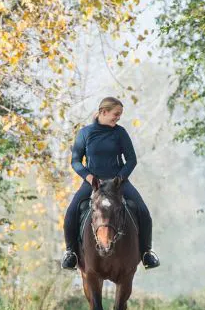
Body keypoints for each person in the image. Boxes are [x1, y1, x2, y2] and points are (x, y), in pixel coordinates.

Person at [60, 97, 160, 270]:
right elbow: (75, 161)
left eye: (120, 115)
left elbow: (131, 160)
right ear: (103, 112)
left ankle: (146, 253)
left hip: (118, 182)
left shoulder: (120, 133)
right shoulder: (84, 133)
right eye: (116, 114)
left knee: (144, 211)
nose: (118, 118)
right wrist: (89, 177)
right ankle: (71, 253)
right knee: (71, 212)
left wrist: (120, 178)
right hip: (93, 183)